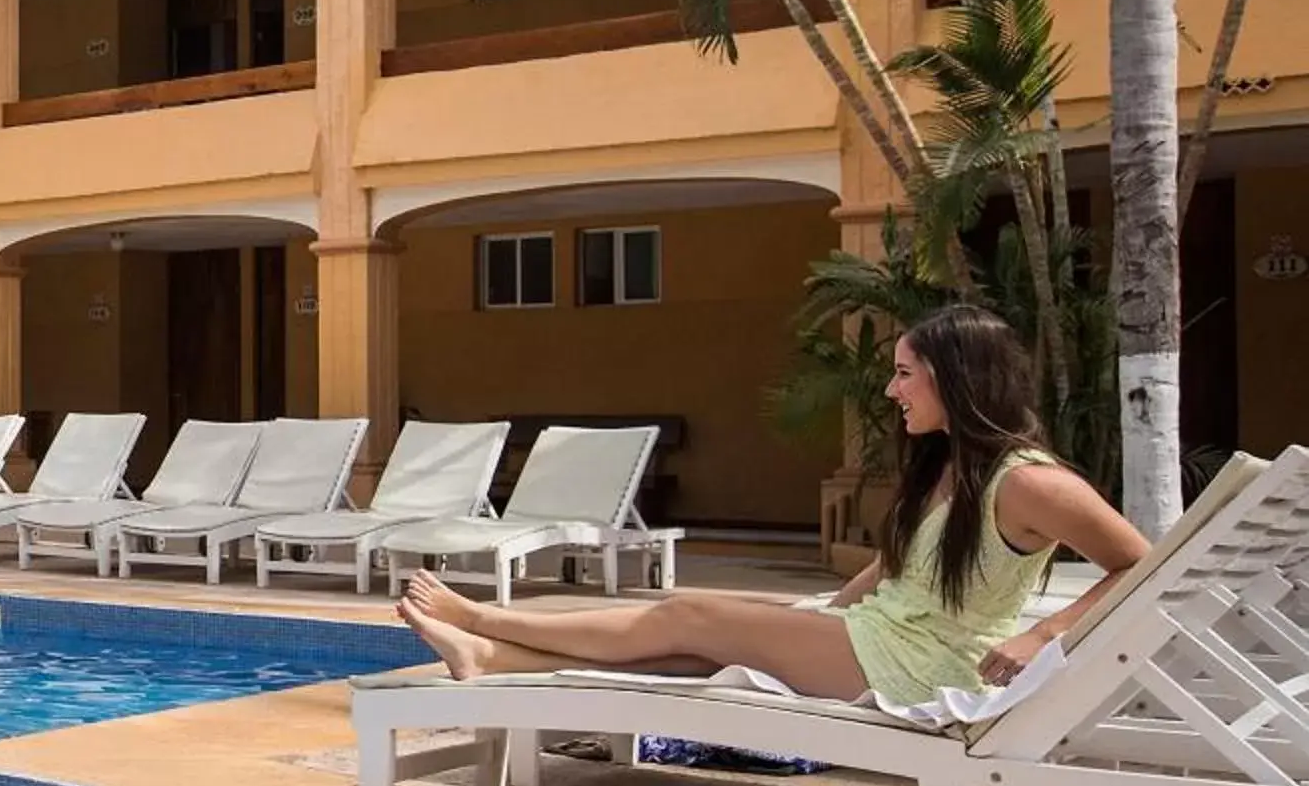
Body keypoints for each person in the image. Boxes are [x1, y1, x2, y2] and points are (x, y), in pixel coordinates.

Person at [396, 305, 1151, 712]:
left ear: (957, 379)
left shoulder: (1031, 482)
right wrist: (825, 608)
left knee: (688, 615)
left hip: (927, 668)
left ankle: (489, 620)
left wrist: (1041, 636)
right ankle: (492, 658)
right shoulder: (947, 466)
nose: (893, 391)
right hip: (876, 636)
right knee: (695, 652)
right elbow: (901, 564)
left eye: (905, 375)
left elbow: (1140, 565)